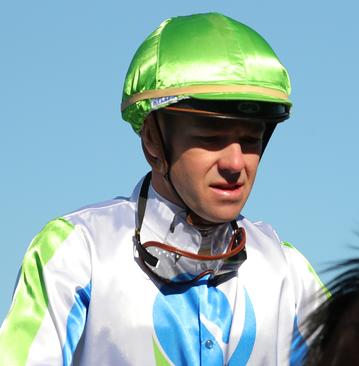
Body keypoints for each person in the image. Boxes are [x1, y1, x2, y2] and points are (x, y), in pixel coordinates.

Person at [0, 12, 325, 365]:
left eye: (250, 140)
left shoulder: (288, 272)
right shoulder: (78, 251)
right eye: (211, 138)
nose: (236, 163)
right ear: (153, 140)